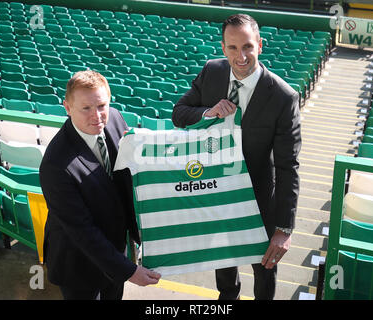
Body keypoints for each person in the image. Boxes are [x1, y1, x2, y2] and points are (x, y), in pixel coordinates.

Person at [172, 14, 301, 300]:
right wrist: (208, 112)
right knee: (224, 265)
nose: (240, 56)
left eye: (247, 47)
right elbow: (179, 113)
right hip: (218, 192)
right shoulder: (212, 71)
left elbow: (288, 166)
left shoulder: (284, 97)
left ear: (260, 45)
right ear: (222, 48)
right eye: (232, 48)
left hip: (260, 199)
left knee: (264, 270)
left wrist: (284, 228)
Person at [39, 70, 161, 300]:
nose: (97, 116)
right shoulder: (55, 164)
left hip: (115, 250)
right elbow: (82, 231)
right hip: (78, 264)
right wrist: (129, 271)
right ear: (67, 107)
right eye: (86, 108)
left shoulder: (114, 117)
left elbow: (126, 179)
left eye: (102, 105)